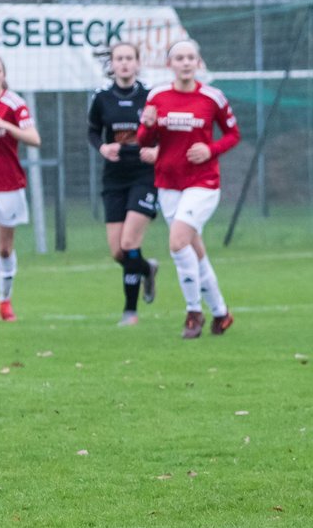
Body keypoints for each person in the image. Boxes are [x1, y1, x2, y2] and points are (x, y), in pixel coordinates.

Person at [136, 38, 240, 339]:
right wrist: (148, 124)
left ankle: (193, 313)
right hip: (168, 183)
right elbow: (144, 140)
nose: (184, 62)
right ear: (170, 64)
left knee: (178, 242)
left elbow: (233, 134)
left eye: (190, 57)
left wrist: (211, 149)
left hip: (203, 183)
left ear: (198, 63)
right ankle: (221, 314)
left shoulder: (212, 97)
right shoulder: (157, 96)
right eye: (178, 58)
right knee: (195, 251)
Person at [88, 42, 159, 326]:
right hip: (114, 177)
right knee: (118, 251)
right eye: (120, 58)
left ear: (138, 63)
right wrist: (103, 148)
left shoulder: (152, 97)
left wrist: (156, 152)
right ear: (112, 64)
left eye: (130, 58)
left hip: (144, 175)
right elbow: (93, 131)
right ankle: (147, 268)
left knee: (129, 242)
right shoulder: (102, 98)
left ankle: (130, 312)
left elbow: (164, 132)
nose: (125, 63)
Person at [0, 56, 40, 322]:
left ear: (4, 74)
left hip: (7, 184)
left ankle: (4, 301)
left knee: (3, 249)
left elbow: (35, 139)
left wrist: (5, 126)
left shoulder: (14, 104)